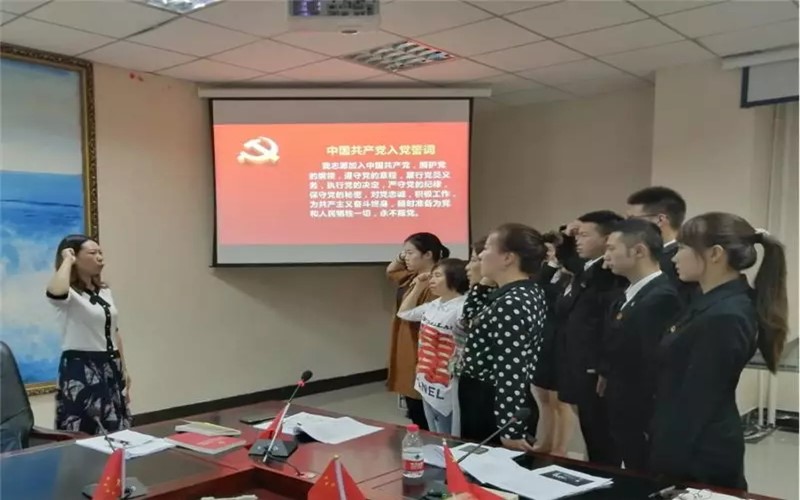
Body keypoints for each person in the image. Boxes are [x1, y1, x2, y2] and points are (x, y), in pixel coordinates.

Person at [650, 213, 788, 490]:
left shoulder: (726, 315)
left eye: (682, 248)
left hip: (699, 452)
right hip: (687, 439)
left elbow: (698, 400)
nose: (674, 258)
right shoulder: (709, 300)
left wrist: (668, 461)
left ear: (715, 254)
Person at [602, 219, 682, 471]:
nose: (606, 256)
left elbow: (649, 361)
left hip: (641, 408)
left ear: (638, 251)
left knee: (643, 469)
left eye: (611, 248)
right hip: (623, 399)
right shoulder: (631, 293)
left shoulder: (660, 297)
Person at [458, 223, 547, 451]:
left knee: (486, 465)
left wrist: (509, 427)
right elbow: (469, 319)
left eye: (487, 248)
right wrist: (483, 283)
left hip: (492, 398)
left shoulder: (512, 302)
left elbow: (511, 367)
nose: (480, 255)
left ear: (508, 258)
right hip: (483, 392)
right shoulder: (517, 291)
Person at [555, 211, 626, 466]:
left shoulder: (609, 273)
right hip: (578, 361)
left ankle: (606, 478)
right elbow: (568, 259)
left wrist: (601, 366)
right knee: (591, 433)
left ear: (607, 239)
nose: (578, 240)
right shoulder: (588, 267)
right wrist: (566, 237)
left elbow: (609, 325)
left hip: (594, 366)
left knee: (602, 438)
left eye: (585, 235)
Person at [45, 235, 132, 434]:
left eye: (101, 252)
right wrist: (67, 260)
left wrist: (124, 369)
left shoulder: (104, 291)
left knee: (116, 427)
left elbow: (114, 331)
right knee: (86, 427)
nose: (100, 258)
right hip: (82, 367)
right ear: (75, 257)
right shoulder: (69, 293)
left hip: (110, 363)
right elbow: (55, 292)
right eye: (93, 253)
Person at [397, 258, 469, 436]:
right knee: (433, 432)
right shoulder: (435, 304)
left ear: (454, 278)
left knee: (448, 434)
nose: (432, 280)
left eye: (437, 275)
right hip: (426, 380)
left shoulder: (463, 306)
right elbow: (404, 313)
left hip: (447, 383)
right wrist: (418, 287)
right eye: (432, 276)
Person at [386, 232, 449, 430]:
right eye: (403, 253)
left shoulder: (436, 283)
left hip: (421, 345)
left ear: (428, 254)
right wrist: (403, 255)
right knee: (412, 399)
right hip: (405, 339)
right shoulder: (413, 276)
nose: (405, 258)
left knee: (421, 400)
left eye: (410, 253)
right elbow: (391, 271)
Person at [529, 231, 575, 456]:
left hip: (562, 340)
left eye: (551, 250)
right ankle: (544, 443)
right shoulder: (542, 273)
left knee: (560, 402)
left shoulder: (571, 274)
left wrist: (557, 263)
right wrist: (549, 266)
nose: (548, 254)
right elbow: (535, 287)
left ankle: (560, 449)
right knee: (543, 398)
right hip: (543, 339)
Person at [626, 187, 697, 305]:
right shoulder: (648, 255)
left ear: (660, 220)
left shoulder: (681, 260)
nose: (627, 226)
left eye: (632, 219)